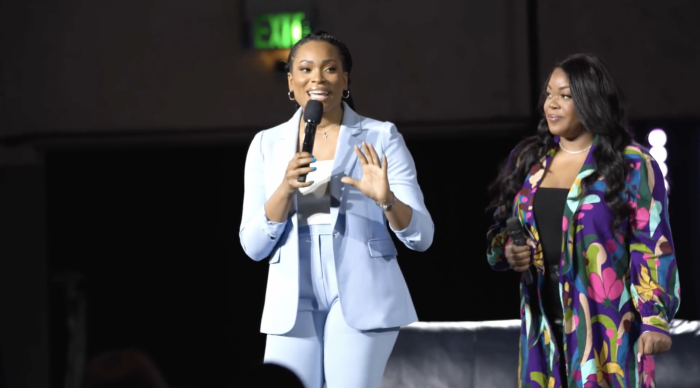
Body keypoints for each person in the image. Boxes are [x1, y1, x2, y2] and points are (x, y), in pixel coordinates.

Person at [238, 31, 433, 388]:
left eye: (330, 69)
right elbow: (253, 246)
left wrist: (386, 200)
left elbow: (422, 236)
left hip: (362, 291)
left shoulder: (380, 136)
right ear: (291, 80)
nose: (317, 78)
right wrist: (284, 188)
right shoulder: (267, 144)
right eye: (306, 68)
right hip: (293, 295)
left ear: (345, 80)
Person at [486, 53, 680, 388]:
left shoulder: (631, 163)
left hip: (608, 326)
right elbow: (500, 230)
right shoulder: (531, 161)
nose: (552, 104)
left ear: (590, 100)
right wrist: (507, 251)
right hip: (542, 330)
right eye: (549, 94)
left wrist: (654, 318)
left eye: (565, 96)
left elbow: (651, 244)